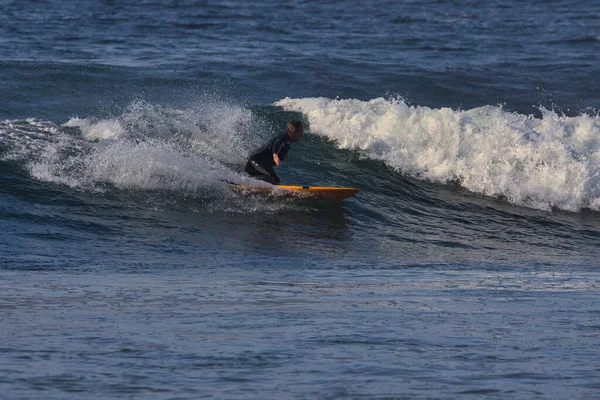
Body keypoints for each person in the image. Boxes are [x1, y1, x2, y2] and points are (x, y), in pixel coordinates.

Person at [244, 120, 303, 184]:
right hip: (256, 162)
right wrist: (275, 154)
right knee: (274, 180)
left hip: (257, 164)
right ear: (293, 131)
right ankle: (246, 182)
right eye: (300, 131)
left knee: (271, 180)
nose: (301, 134)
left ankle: (246, 181)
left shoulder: (286, 142)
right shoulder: (283, 138)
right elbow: (278, 143)